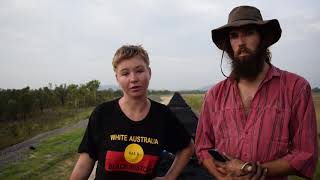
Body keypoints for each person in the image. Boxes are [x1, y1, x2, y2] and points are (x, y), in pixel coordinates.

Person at [195, 5, 318, 180]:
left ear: (263, 38)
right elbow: (202, 149)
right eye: (234, 36)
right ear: (229, 44)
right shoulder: (214, 95)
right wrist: (223, 178)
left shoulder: (295, 88)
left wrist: (256, 170)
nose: (241, 42)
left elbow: (305, 153)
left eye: (249, 33)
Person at [70, 45, 194, 180]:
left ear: (149, 73)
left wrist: (169, 177)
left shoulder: (163, 115)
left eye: (139, 71)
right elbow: (85, 161)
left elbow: (187, 147)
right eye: (125, 73)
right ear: (117, 78)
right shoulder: (103, 113)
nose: (133, 79)